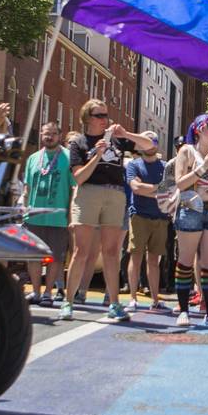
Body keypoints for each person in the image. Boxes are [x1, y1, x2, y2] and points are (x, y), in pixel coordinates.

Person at [58, 99, 155, 322]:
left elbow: (150, 145)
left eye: (106, 115)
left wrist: (126, 134)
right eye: (100, 115)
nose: (105, 119)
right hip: (88, 194)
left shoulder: (118, 140)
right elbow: (79, 177)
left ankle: (114, 303)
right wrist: (97, 155)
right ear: (88, 118)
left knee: (112, 252)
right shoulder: (79, 143)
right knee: (81, 251)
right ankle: (68, 302)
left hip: (115, 194)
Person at [172, 113, 208, 328]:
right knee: (186, 260)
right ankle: (183, 310)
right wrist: (204, 167)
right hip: (191, 208)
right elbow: (179, 183)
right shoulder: (187, 151)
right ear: (198, 129)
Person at [22, 122, 75, 307]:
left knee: (56, 257)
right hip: (34, 215)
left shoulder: (68, 158)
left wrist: (71, 215)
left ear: (60, 136)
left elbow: (73, 188)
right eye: (46, 133)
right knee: (33, 256)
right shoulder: (33, 158)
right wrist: (24, 208)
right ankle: (36, 291)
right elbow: (27, 187)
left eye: (53, 133)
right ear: (41, 135)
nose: (49, 137)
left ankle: (48, 293)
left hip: (58, 216)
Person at [125, 131, 171, 312]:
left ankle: (155, 299)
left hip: (160, 218)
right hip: (139, 216)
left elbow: (169, 190)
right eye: (146, 140)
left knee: (154, 260)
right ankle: (132, 298)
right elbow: (136, 188)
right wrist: (158, 189)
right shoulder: (133, 165)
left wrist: (149, 189)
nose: (150, 144)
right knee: (135, 256)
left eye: (153, 141)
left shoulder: (166, 166)